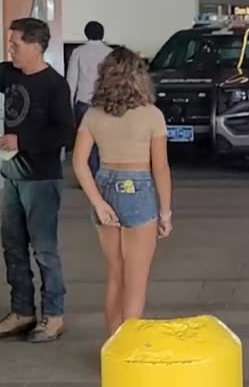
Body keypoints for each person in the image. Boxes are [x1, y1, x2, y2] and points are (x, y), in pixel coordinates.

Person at [0, 19, 75, 344]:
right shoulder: (10, 74)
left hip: (41, 179)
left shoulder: (54, 85)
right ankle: (22, 311)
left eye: (16, 44)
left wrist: (22, 141)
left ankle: (53, 314)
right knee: (13, 248)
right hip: (13, 176)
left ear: (36, 46)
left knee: (44, 250)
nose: (11, 49)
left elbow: (65, 132)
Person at [71, 47, 174, 338]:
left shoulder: (92, 114)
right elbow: (161, 168)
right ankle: (128, 352)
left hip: (104, 185)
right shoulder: (152, 115)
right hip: (138, 188)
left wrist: (99, 203)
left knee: (115, 275)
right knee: (136, 279)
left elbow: (79, 163)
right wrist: (165, 212)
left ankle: (111, 349)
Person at [67, 20, 112, 176]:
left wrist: (68, 104)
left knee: (85, 143)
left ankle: (88, 176)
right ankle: (102, 174)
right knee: (104, 142)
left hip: (83, 104)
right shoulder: (110, 53)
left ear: (86, 34)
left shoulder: (78, 52)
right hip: (105, 103)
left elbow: (71, 80)